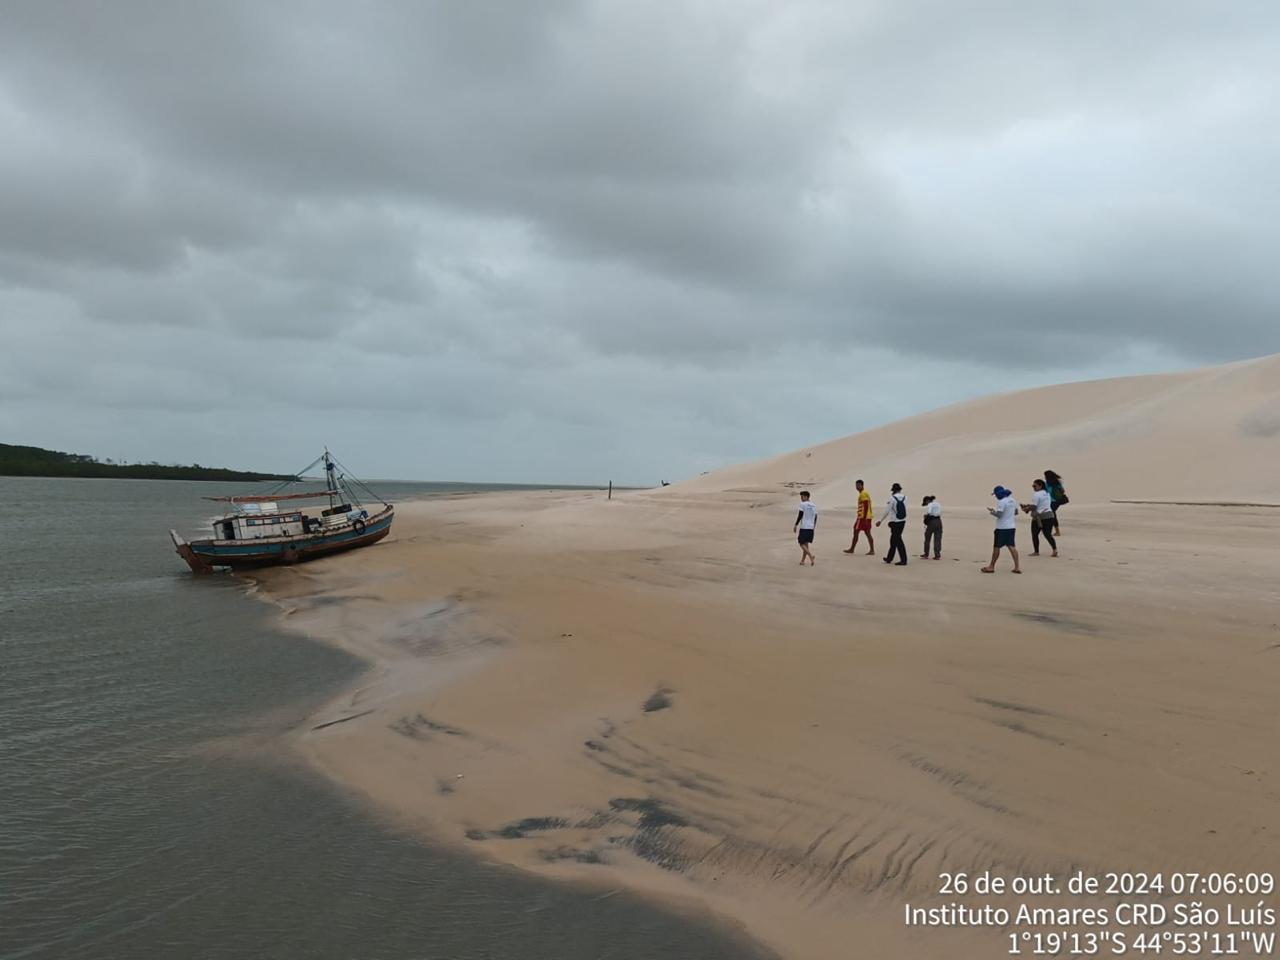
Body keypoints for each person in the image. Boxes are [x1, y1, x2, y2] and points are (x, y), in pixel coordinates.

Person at [982, 485, 1022, 574]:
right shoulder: (1012, 500)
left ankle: (991, 566)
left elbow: (999, 515)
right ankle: (1017, 566)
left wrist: (992, 512)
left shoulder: (1001, 502)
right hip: (1011, 527)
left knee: (996, 547)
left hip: (1002, 528)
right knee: (1011, 546)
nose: (995, 496)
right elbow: (1016, 512)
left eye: (995, 495)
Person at [875, 482, 908, 565]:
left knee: (898, 540)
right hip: (903, 521)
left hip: (895, 522)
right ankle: (889, 558)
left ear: (893, 490)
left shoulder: (892, 498)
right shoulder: (905, 497)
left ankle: (904, 560)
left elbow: (887, 510)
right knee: (893, 540)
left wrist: (880, 520)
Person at [1026, 479, 1058, 557]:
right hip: (1049, 515)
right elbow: (1042, 504)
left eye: (1035, 486)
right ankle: (1055, 549)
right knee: (1047, 534)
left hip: (1039, 517)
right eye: (1032, 486)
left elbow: (1034, 506)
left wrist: (1026, 509)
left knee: (1034, 534)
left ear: (1040, 486)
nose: (1033, 488)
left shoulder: (1036, 494)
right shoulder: (1047, 493)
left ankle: (1036, 551)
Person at [843, 479, 875, 555]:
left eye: (858, 485)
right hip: (867, 517)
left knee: (856, 530)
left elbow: (866, 505)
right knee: (867, 533)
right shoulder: (864, 493)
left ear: (862, 485)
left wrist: (863, 519)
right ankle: (872, 550)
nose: (857, 487)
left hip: (862, 517)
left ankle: (852, 549)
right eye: (856, 485)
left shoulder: (863, 494)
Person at [794, 490, 817, 566]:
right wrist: (813, 526)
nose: (801, 498)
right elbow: (816, 517)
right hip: (811, 527)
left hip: (804, 527)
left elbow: (800, 514)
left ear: (806, 496)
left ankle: (811, 556)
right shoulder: (813, 505)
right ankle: (803, 561)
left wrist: (796, 524)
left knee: (801, 543)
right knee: (806, 544)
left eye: (802, 496)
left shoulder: (803, 504)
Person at [1044, 470, 1068, 536]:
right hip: (1057, 501)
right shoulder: (1057, 482)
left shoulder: (1047, 483)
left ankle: (1056, 531)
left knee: (1052, 515)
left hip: (1052, 501)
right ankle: (1055, 530)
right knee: (1052, 514)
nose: (1044, 477)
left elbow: (1046, 492)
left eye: (1045, 476)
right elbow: (1063, 490)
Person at [920, 495, 942, 559]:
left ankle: (926, 554)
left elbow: (929, 512)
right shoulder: (938, 504)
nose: (926, 505)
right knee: (937, 539)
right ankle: (937, 555)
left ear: (927, 501)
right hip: (939, 521)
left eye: (925, 503)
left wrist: (926, 516)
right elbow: (939, 512)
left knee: (927, 538)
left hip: (932, 522)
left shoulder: (930, 505)